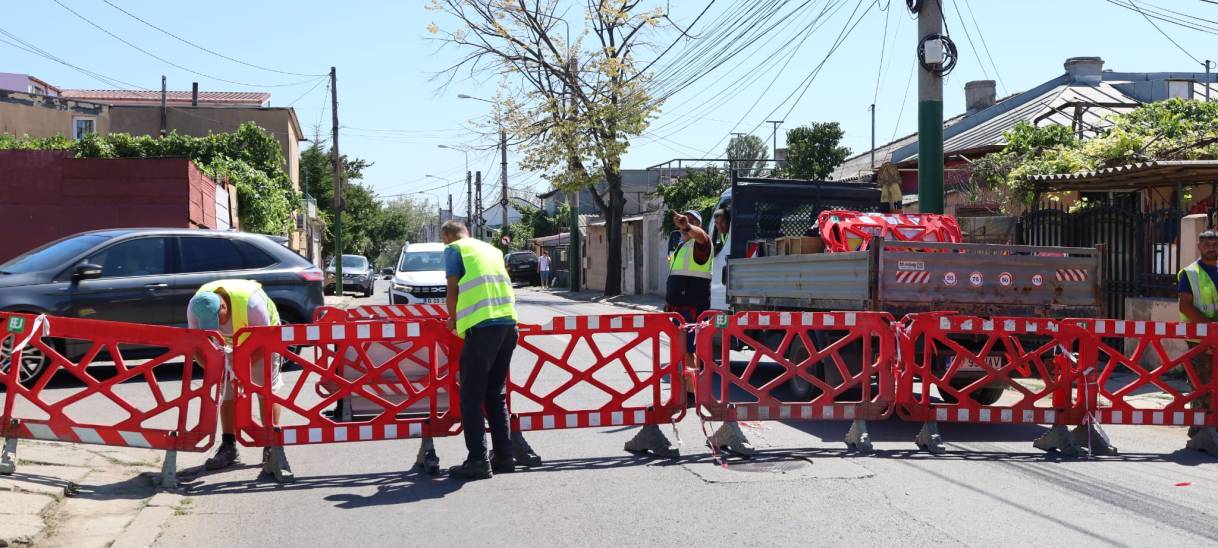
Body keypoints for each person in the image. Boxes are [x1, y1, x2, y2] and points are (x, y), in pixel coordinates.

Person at [625, 210, 755, 457]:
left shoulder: (701, 244)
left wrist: (688, 227)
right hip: (679, 308)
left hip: (691, 309)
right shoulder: (682, 247)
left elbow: (703, 237)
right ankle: (689, 393)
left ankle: (693, 395)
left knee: (689, 352)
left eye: (691, 222)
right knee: (685, 353)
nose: (685, 226)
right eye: (684, 221)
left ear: (697, 226)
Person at [442, 220, 541, 480]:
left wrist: (452, 319)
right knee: (495, 394)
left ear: (447, 236)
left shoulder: (454, 250)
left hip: (483, 327)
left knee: (471, 396)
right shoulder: (492, 250)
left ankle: (477, 460)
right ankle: (504, 456)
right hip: (508, 325)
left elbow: (452, 290)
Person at [188, 279, 289, 474]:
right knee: (226, 391)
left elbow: (265, 342)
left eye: (218, 320)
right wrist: (215, 368)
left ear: (223, 306)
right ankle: (229, 446)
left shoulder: (252, 305)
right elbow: (196, 347)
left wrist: (242, 368)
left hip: (263, 339)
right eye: (209, 325)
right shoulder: (195, 307)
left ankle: (272, 444)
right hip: (228, 344)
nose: (216, 327)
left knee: (265, 390)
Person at [1176, 229, 1218, 448]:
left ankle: (1210, 428)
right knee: (1202, 383)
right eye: (1207, 244)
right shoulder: (1190, 273)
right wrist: (1209, 329)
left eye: (1215, 244)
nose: (1211, 247)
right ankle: (1200, 430)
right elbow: (1185, 305)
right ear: (1199, 246)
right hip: (1200, 338)